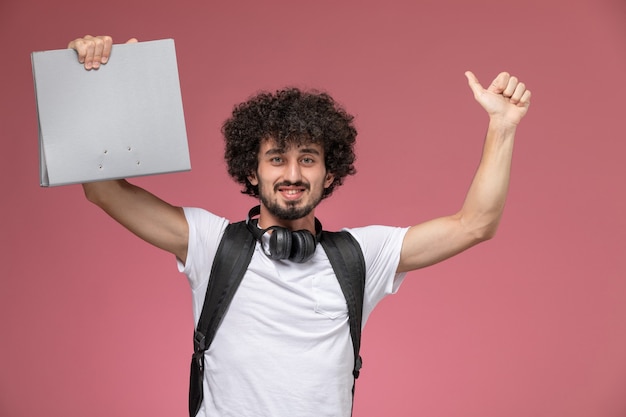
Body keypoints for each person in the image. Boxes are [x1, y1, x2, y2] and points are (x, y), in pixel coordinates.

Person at [67, 35, 531, 417]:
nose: (292, 174)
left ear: (329, 174)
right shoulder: (211, 245)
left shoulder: (362, 256)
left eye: (307, 160)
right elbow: (103, 190)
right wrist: (101, 83)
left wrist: (503, 126)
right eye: (277, 159)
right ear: (253, 172)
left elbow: (475, 224)